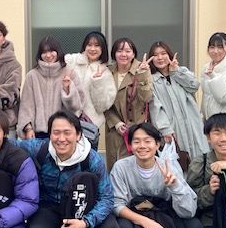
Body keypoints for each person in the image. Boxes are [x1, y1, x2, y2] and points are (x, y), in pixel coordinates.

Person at [110, 123, 202, 228]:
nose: (142, 146)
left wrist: (175, 187)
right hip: (134, 215)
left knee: (195, 227)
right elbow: (117, 205)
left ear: (157, 144)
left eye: (148, 141)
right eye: (136, 141)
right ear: (130, 145)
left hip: (163, 214)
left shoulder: (169, 168)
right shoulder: (121, 167)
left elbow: (189, 211)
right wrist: (145, 222)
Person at [148, 40, 209, 160]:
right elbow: (155, 107)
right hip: (172, 127)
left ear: (169, 55)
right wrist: (165, 129)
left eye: (163, 53)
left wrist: (175, 71)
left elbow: (194, 86)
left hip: (192, 123)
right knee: (177, 161)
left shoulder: (181, 71)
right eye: (155, 55)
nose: (160, 58)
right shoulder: (152, 80)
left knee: (199, 159)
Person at [18, 36, 85, 139]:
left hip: (63, 132)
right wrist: (28, 128)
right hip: (38, 134)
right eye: (44, 52)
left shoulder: (70, 73)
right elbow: (26, 107)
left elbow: (76, 106)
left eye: (51, 51)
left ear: (58, 52)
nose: (48, 55)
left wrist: (67, 89)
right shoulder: (32, 76)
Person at [104, 38, 153, 171]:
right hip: (116, 130)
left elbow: (146, 97)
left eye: (127, 51)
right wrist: (116, 123)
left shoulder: (142, 69)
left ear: (133, 54)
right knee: (115, 169)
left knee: (137, 168)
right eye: (119, 51)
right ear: (114, 53)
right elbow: (103, 103)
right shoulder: (108, 72)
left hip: (137, 129)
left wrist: (142, 75)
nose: (123, 54)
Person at [64, 30, 116, 130]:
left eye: (97, 45)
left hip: (90, 125)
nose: (92, 49)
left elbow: (102, 106)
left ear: (103, 48)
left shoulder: (105, 73)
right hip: (67, 120)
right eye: (89, 45)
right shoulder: (71, 61)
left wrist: (97, 82)